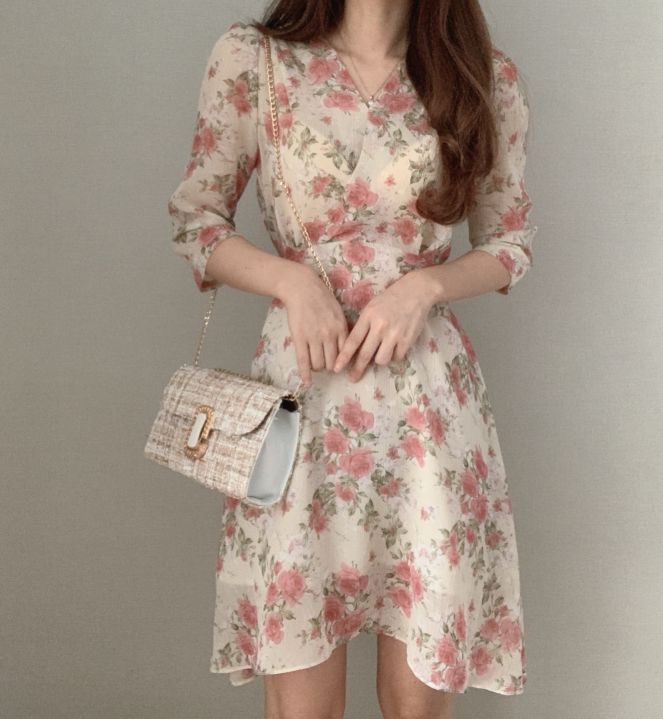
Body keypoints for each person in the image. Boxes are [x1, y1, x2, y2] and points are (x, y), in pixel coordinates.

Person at [167, 1, 537, 717]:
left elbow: (510, 241)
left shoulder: (481, 77)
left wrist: (426, 287)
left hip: (426, 413)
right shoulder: (255, 60)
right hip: (300, 404)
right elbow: (196, 219)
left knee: (417, 706)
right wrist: (290, 281)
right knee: (301, 702)